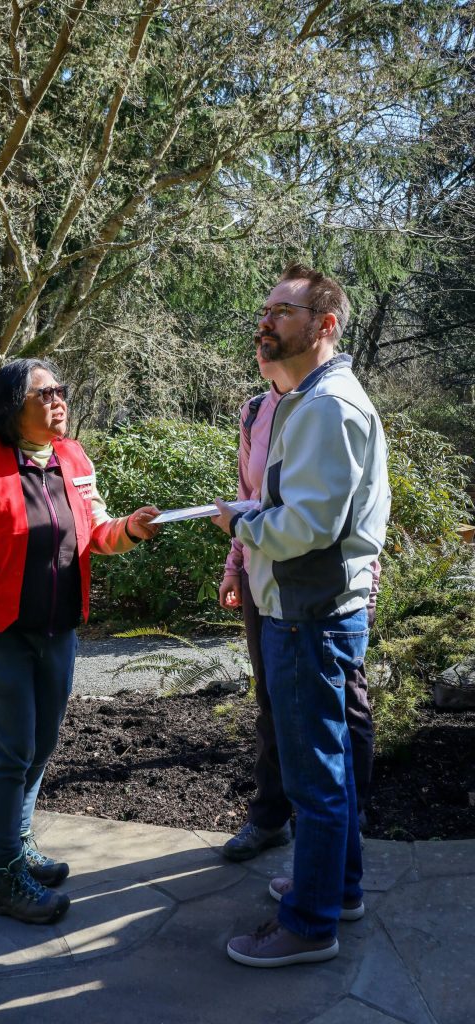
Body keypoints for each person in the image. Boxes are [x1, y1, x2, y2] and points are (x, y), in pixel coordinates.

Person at [0, 358, 160, 926]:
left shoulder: (72, 458)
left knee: (43, 742)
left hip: (58, 628)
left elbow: (96, 530)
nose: (59, 400)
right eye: (45, 393)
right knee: (8, 753)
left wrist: (131, 529)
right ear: (12, 407)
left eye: (61, 390)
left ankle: (18, 846)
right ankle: (2, 878)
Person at [212, 264, 389, 968]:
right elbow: (307, 510)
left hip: (308, 614)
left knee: (313, 776)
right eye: (267, 308)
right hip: (311, 608)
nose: (268, 320)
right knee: (329, 768)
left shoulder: (324, 407)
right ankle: (338, 889)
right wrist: (255, 520)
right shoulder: (305, 399)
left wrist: (241, 525)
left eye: (284, 310)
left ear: (326, 324)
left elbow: (308, 525)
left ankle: (310, 924)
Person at [219, 350, 379, 864]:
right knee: (274, 700)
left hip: (320, 594)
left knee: (343, 710)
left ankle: (342, 834)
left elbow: (331, 516)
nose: (265, 340)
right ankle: (272, 818)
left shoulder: (328, 407)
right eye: (263, 323)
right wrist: (234, 566)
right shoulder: (254, 413)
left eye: (281, 317)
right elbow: (249, 499)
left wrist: (364, 585)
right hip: (266, 579)